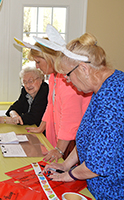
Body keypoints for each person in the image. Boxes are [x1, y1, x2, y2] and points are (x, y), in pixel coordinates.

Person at [42, 31, 124, 200]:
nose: (67, 80)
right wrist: (65, 165)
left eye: (68, 75)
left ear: (84, 68)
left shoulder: (113, 97)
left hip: (114, 193)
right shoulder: (102, 87)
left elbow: (97, 165)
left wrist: (69, 175)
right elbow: (87, 139)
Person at [20, 38, 92, 162]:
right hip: (59, 137)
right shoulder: (54, 76)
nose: (37, 66)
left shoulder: (68, 79)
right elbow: (51, 105)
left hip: (71, 142)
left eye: (38, 61)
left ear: (49, 57)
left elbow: (71, 118)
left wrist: (60, 149)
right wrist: (41, 127)